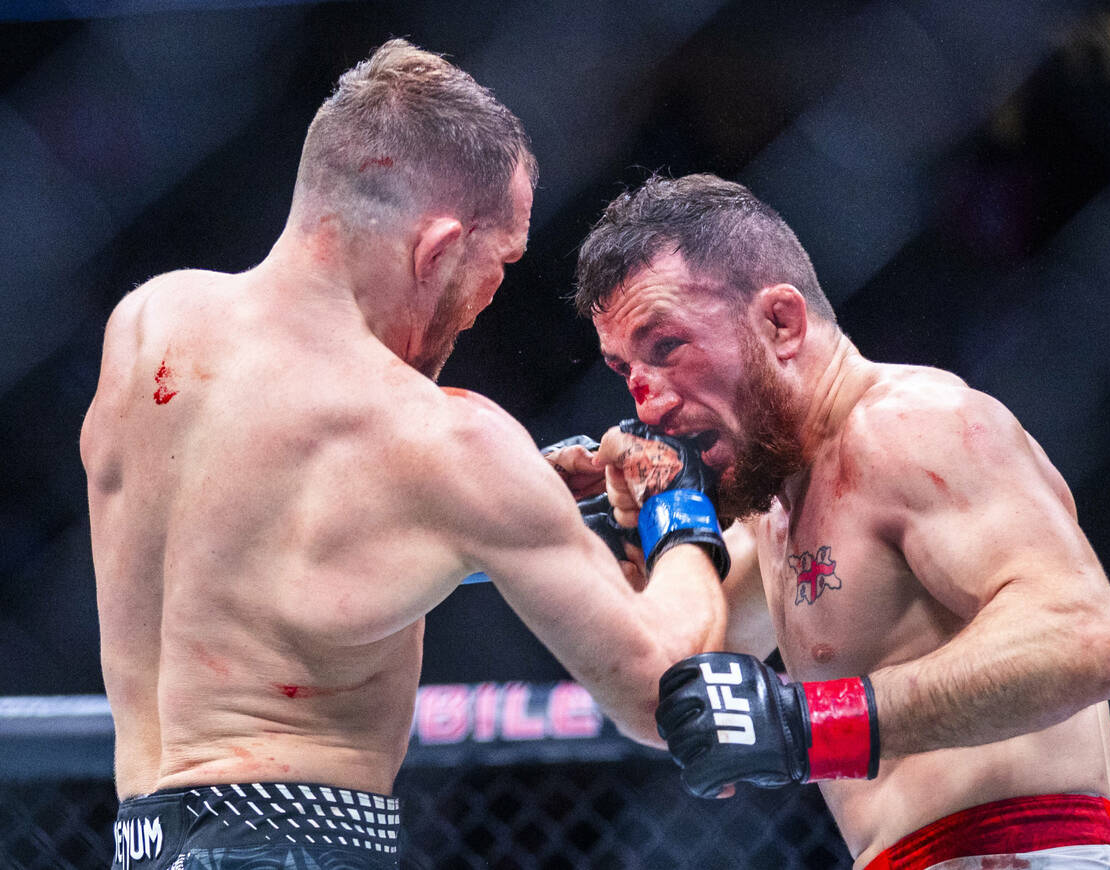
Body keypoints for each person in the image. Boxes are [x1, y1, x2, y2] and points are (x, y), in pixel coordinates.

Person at [81, 42, 729, 870]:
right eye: (501, 262)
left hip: (139, 843)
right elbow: (661, 694)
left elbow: (257, 545)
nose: (489, 302)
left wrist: (499, 503)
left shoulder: (147, 328)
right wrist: (677, 498)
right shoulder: (445, 442)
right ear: (438, 249)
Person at [569, 172, 1110, 869]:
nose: (648, 404)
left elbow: (1085, 639)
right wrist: (630, 527)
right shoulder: (774, 512)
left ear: (780, 324)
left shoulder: (913, 426)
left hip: (1029, 850)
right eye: (625, 369)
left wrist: (812, 725)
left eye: (667, 347)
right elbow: (660, 695)